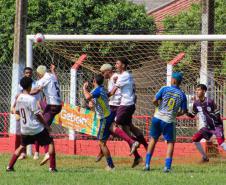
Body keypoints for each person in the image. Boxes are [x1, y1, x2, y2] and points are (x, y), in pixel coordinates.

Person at [7, 77, 57, 172]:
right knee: (50, 142)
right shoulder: (31, 99)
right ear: (30, 86)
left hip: (24, 129)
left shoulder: (19, 98)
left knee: (22, 146)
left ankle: (9, 167)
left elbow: (16, 111)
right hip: (35, 128)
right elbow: (38, 114)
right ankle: (52, 168)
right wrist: (46, 126)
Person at [99, 63, 143, 168]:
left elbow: (120, 91)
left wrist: (102, 97)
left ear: (108, 71)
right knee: (124, 131)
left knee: (111, 128)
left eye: (102, 72)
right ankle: (137, 155)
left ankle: (134, 143)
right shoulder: (111, 79)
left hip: (118, 107)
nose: (101, 75)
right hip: (116, 107)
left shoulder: (116, 77)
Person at [144, 72, 188, 172]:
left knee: (153, 140)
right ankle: (167, 167)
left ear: (174, 80)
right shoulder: (182, 95)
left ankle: (147, 164)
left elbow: (154, 100)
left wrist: (157, 107)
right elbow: (184, 111)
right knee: (170, 143)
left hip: (157, 117)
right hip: (168, 121)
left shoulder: (164, 89)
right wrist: (175, 114)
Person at [31, 65, 62, 164]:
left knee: (41, 128)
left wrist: (26, 93)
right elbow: (56, 78)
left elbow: (36, 90)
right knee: (39, 105)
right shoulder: (51, 76)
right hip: (55, 105)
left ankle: (47, 153)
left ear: (39, 74)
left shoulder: (43, 79)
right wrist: (53, 70)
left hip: (52, 106)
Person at [83, 74, 115, 170]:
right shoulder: (102, 89)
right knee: (102, 140)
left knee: (101, 143)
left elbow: (88, 97)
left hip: (105, 118)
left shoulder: (97, 90)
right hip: (107, 116)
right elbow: (95, 100)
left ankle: (111, 166)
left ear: (94, 82)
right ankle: (102, 154)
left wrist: (84, 88)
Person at [187, 84, 226, 162]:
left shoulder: (210, 101)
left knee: (221, 142)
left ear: (204, 91)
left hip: (216, 126)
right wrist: (186, 112)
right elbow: (192, 115)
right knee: (195, 139)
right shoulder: (196, 103)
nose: (196, 91)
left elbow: (217, 113)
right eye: (196, 90)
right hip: (207, 127)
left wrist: (213, 116)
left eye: (199, 90)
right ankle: (205, 158)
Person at [11, 67, 42, 160]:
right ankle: (23, 153)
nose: (28, 74)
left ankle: (36, 152)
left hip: (34, 107)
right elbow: (19, 96)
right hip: (25, 109)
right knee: (23, 131)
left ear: (32, 74)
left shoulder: (35, 83)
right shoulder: (21, 84)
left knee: (37, 130)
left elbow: (36, 93)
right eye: (27, 73)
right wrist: (14, 107)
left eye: (30, 73)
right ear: (24, 74)